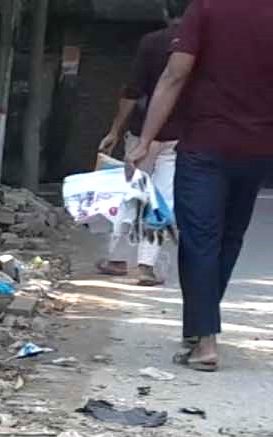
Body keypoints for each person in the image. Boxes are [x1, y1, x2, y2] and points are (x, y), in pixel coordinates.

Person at [130, 0, 273, 371]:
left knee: (199, 238)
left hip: (205, 145)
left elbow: (175, 75)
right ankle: (201, 325)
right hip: (258, 149)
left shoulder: (206, 9)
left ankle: (205, 340)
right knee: (229, 238)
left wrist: (146, 138)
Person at [95, 13, 183, 285]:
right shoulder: (204, 44)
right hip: (179, 136)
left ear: (167, 12)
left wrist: (115, 130)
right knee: (163, 200)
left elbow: (132, 91)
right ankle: (146, 266)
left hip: (142, 132)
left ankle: (116, 259)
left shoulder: (152, 42)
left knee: (132, 194)